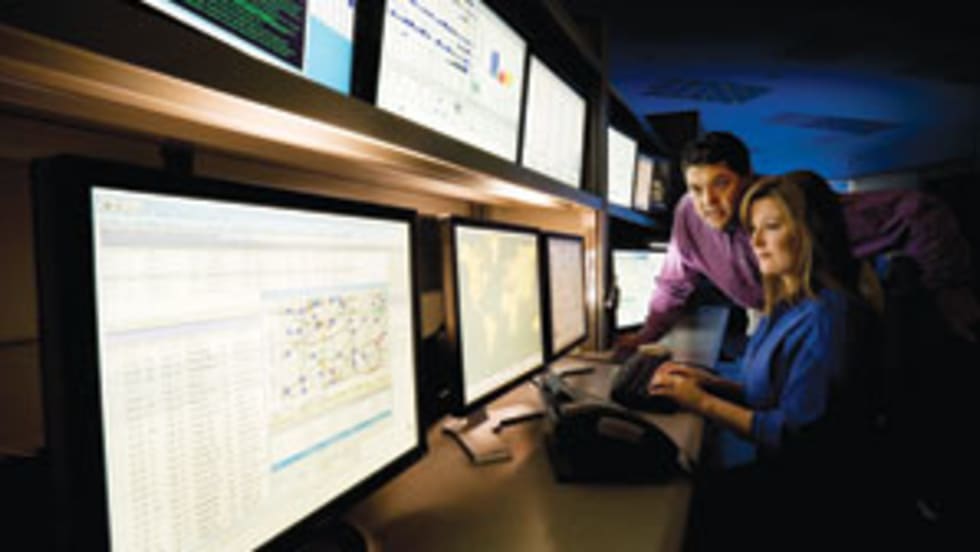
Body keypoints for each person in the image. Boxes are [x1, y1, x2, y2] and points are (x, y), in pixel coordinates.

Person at [649, 171, 880, 550]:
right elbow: (775, 392)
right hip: (786, 476)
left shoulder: (830, 318)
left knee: (680, 507)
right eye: (752, 229)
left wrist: (701, 402)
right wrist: (710, 383)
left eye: (771, 227)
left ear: (811, 232)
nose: (755, 242)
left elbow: (795, 434)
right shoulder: (788, 304)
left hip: (810, 500)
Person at [614, 132, 978, 357]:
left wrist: (950, 288)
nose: (707, 201)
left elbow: (919, 211)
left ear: (747, 177)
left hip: (817, 321)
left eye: (721, 184)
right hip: (768, 317)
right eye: (696, 188)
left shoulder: (790, 205)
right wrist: (647, 334)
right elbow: (674, 283)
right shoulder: (688, 213)